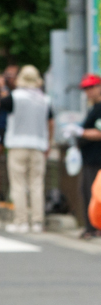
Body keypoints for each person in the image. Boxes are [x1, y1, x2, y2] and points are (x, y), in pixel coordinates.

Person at [0, 65, 53, 233]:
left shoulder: (15, 97)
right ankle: (37, 221)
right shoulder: (45, 99)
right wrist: (48, 142)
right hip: (38, 145)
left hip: (18, 144)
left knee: (18, 184)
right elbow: (51, 122)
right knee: (36, 184)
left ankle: (21, 221)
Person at [69, 74, 101, 238]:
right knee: (87, 192)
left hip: (97, 159)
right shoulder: (94, 107)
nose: (88, 92)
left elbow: (99, 132)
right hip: (89, 157)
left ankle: (94, 228)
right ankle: (92, 227)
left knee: (94, 193)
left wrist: (81, 132)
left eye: (91, 87)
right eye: (86, 89)